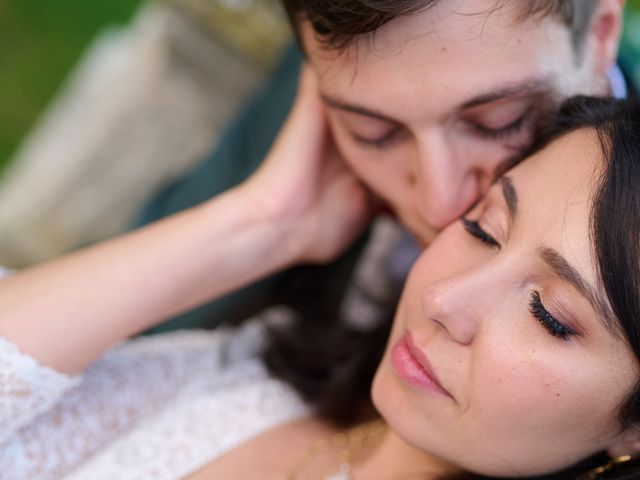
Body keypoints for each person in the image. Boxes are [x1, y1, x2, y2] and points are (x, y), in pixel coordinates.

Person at [3, 76, 640, 477]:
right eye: (482, 228)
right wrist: (265, 224)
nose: (444, 299)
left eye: (549, 314)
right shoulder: (250, 386)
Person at [133, 0, 633, 333]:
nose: (438, 203)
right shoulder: (337, 73)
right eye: (373, 132)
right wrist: (260, 223)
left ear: (599, 34)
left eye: (499, 120)